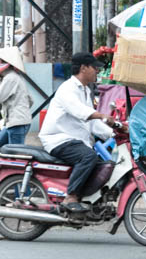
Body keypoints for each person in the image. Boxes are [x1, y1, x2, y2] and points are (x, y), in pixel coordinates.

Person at [39, 52, 122, 213]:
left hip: (76, 141)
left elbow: (93, 124)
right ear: (83, 68)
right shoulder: (67, 89)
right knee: (88, 156)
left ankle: (90, 201)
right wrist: (102, 115)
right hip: (58, 139)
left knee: (104, 165)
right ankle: (71, 196)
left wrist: (114, 134)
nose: (97, 71)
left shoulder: (85, 91)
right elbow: (80, 111)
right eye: (94, 68)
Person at [0, 46, 33, 146]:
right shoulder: (15, 77)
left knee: (16, 155)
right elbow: (30, 100)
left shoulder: (10, 78)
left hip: (17, 123)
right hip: (15, 122)